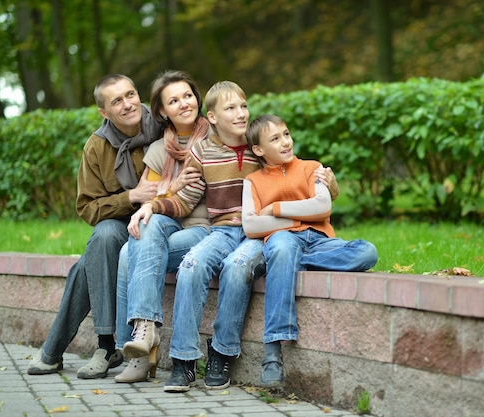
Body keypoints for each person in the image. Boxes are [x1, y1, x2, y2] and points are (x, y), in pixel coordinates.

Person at [128, 82, 339, 393]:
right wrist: (152, 206)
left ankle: (222, 353)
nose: (241, 113)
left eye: (243, 106)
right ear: (212, 117)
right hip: (223, 229)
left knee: (238, 268)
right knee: (191, 265)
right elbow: (186, 200)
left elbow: (297, 176)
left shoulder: (261, 145)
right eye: (231, 108)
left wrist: (329, 185)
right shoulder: (202, 152)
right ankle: (184, 361)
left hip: (261, 230)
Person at [27, 74, 163, 379]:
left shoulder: (162, 127)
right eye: (117, 101)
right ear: (104, 111)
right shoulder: (97, 146)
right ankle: (105, 344)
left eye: (131, 94)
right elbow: (87, 207)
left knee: (85, 266)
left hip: (164, 220)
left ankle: (65, 350)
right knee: (103, 235)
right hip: (119, 227)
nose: (129, 104)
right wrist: (131, 197)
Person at [242, 114, 379, 388]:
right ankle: (272, 352)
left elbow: (322, 207)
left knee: (367, 252)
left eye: (286, 134)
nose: (285, 142)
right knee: (282, 248)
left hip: (319, 241)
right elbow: (251, 224)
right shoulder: (253, 181)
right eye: (275, 138)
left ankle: (285, 263)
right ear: (258, 149)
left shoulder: (311, 168)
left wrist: (276, 209)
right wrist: (296, 219)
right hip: (282, 240)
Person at [113, 70, 211, 383]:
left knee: (131, 254)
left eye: (188, 95)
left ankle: (139, 344)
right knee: (145, 229)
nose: (184, 103)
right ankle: (143, 337)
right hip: (169, 223)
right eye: (174, 100)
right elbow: (147, 199)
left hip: (204, 228)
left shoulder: (215, 138)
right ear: (161, 111)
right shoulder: (159, 150)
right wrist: (173, 183)